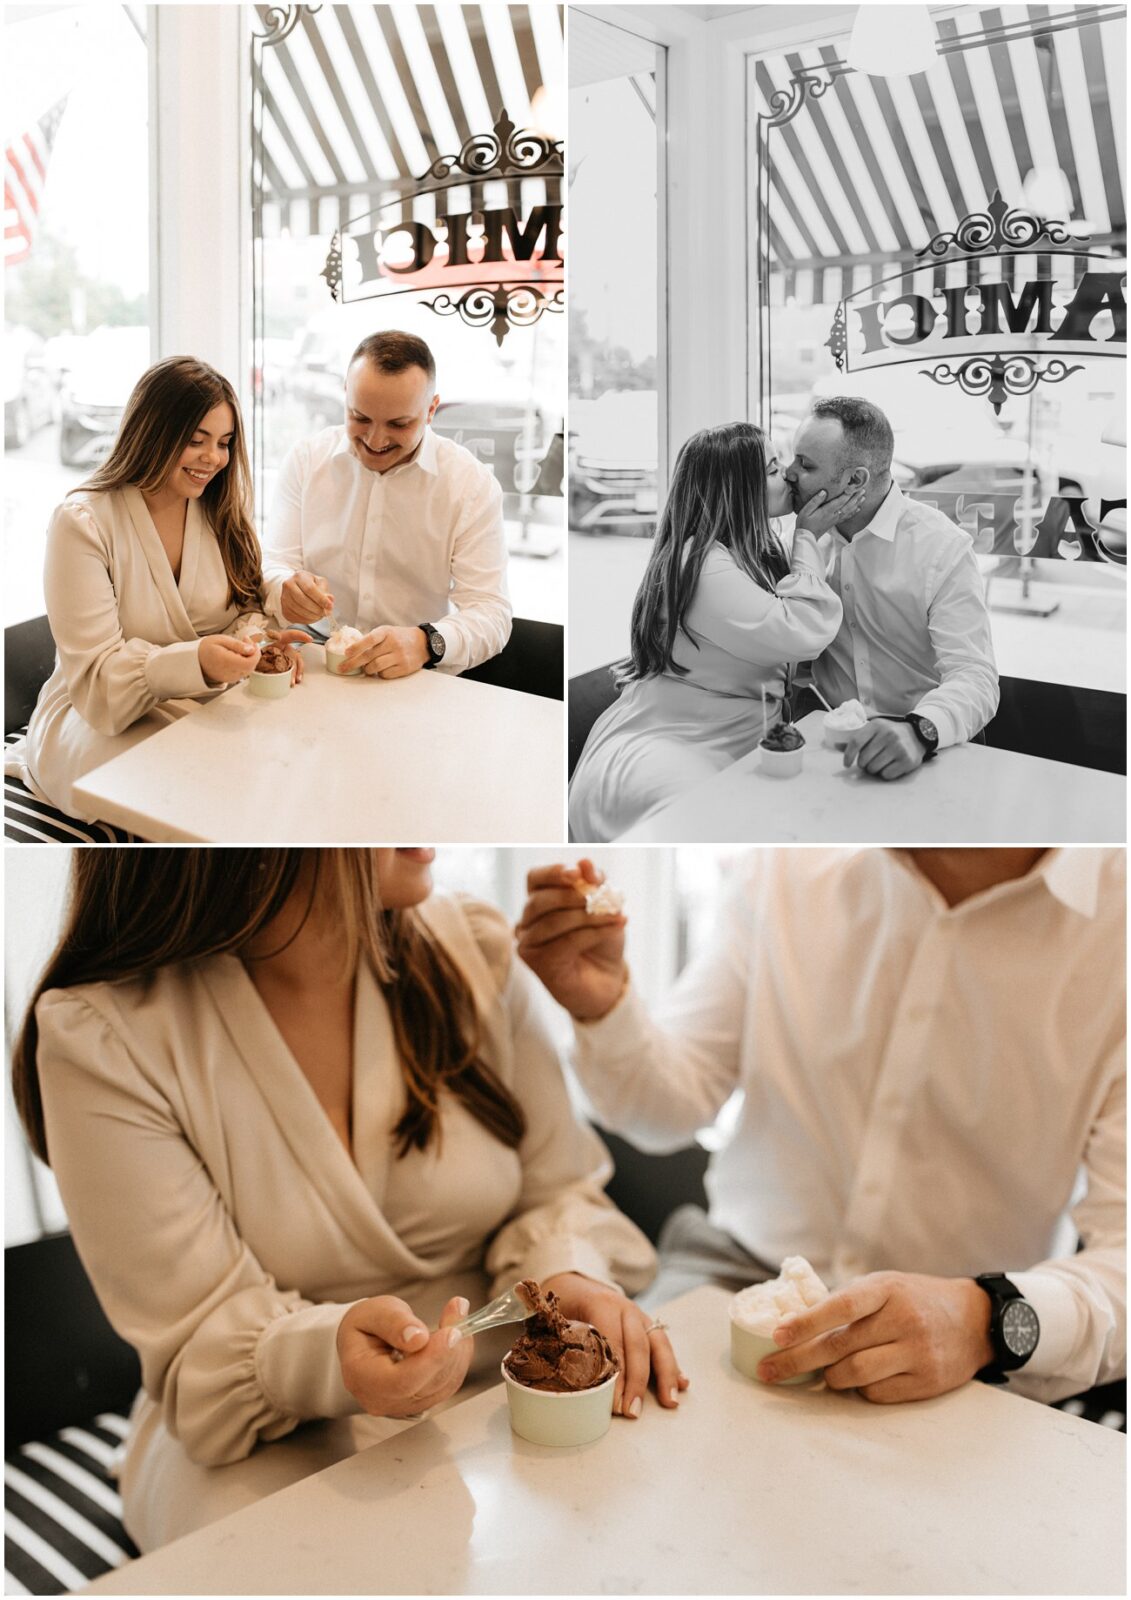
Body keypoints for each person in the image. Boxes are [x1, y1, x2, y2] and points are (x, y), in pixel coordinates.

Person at [12, 848, 681, 1553]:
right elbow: (200, 1337)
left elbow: (558, 1189)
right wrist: (328, 1358)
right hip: (260, 1438)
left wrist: (564, 1275)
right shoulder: (101, 1035)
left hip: (507, 1385)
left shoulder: (476, 951)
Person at [517, 850, 1125, 1407]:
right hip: (733, 1276)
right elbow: (663, 1112)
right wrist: (603, 1006)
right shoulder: (787, 863)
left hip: (966, 1346)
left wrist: (984, 1318)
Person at [5, 357, 305, 824]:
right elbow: (99, 681)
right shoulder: (82, 523)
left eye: (224, 443)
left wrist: (259, 646)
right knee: (174, 783)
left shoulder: (219, 508)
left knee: (284, 762)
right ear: (153, 433)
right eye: (196, 440)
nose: (214, 458)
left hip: (209, 699)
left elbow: (245, 607)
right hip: (96, 715)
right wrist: (197, 661)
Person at [568, 422, 858, 841]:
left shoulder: (756, 552)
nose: (789, 476)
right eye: (773, 469)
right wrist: (809, 536)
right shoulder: (702, 564)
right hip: (674, 743)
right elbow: (801, 630)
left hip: (728, 740)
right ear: (738, 490)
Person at [262, 331, 512, 677]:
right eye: (360, 417)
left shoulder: (470, 485)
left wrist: (427, 642)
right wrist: (283, 589)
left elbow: (491, 613)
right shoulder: (306, 461)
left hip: (414, 671)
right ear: (345, 395)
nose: (375, 439)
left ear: (431, 410)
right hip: (313, 660)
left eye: (398, 424)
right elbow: (275, 564)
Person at [786, 395, 1000, 780]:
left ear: (856, 480)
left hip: (923, 750)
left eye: (806, 464)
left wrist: (919, 731)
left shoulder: (941, 548)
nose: (789, 473)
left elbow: (975, 677)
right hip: (830, 751)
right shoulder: (802, 540)